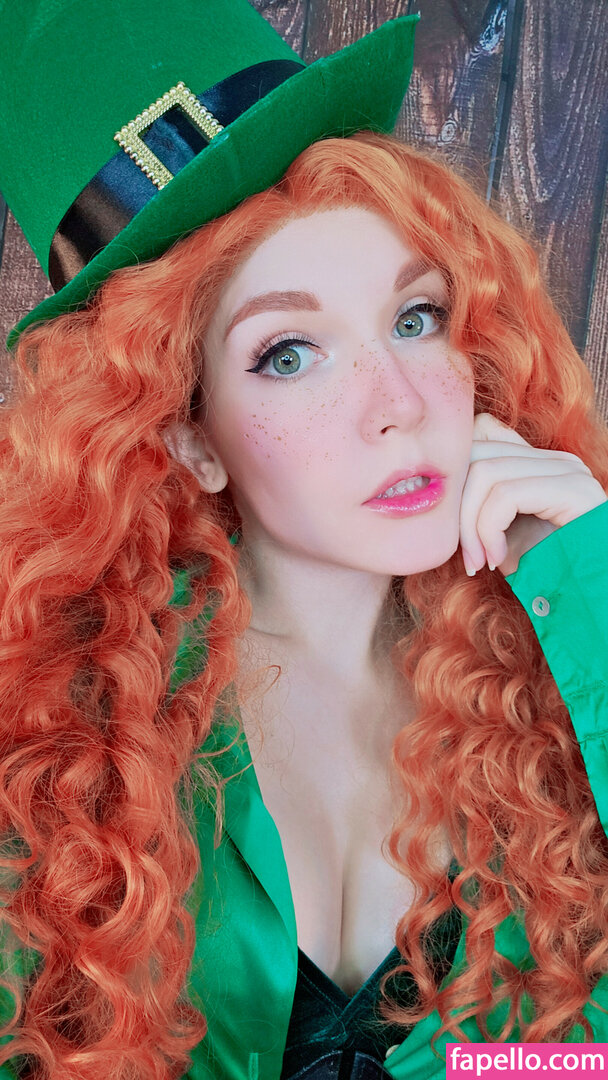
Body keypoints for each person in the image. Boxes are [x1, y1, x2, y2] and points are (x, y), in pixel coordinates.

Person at [1, 4, 608, 1080]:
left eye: (415, 319)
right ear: (189, 435)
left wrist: (593, 590)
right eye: (288, 354)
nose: (397, 403)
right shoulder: (55, 747)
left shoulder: (560, 661)